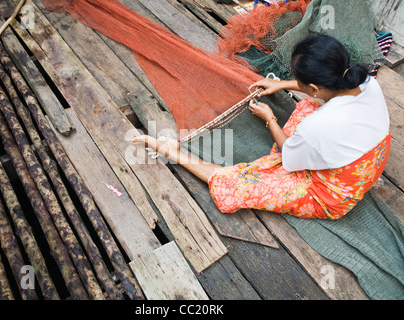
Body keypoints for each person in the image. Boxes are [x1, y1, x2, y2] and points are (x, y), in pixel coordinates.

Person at [132, 35, 391, 219]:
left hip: (334, 194)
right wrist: (282, 85)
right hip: (371, 158)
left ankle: (170, 150)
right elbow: (320, 94)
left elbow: (288, 159)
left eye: (299, 82)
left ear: (313, 87)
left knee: (242, 183)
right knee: (306, 108)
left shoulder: (319, 127)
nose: (296, 84)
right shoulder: (364, 80)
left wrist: (270, 119)